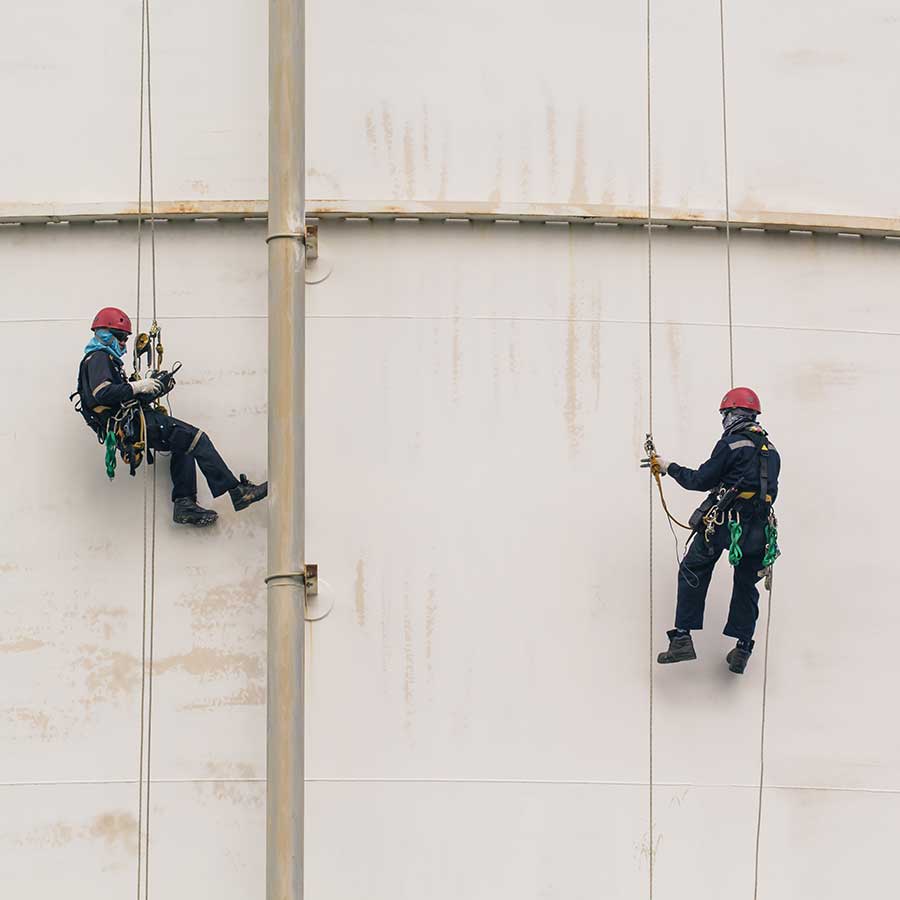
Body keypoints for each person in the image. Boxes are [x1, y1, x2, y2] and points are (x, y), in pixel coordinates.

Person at [75, 307, 267, 527]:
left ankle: (184, 504)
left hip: (130, 423)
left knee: (184, 444)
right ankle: (238, 492)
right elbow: (103, 394)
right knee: (198, 438)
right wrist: (138, 386)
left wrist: (154, 389)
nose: (123, 345)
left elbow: (121, 398)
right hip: (133, 423)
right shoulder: (99, 357)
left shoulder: (106, 360)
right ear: (105, 334)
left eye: (125, 340)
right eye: (120, 338)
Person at [641, 387, 781, 674]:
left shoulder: (731, 444)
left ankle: (682, 638)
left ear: (732, 414)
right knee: (746, 584)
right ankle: (742, 649)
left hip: (725, 524)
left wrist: (669, 467)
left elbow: (700, 480)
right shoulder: (772, 451)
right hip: (758, 531)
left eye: (725, 414)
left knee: (694, 568)